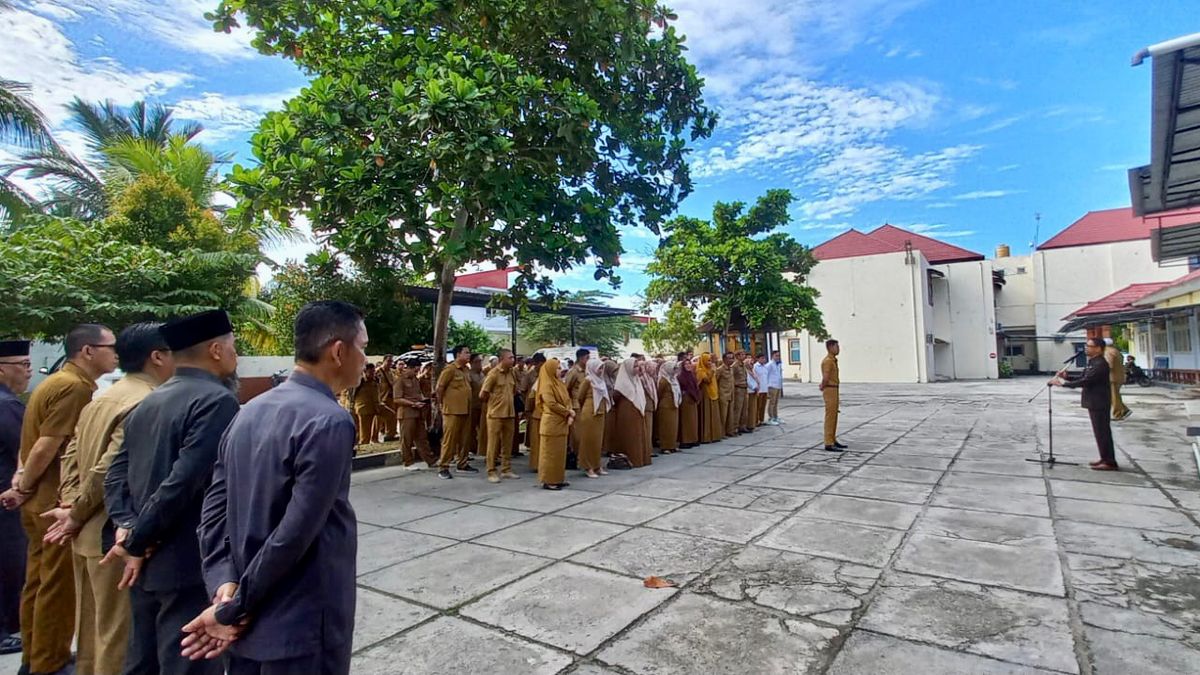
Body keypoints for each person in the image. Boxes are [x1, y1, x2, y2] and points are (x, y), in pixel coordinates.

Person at [184, 301, 363, 674]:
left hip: (244, 618)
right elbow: (295, 534)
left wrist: (224, 583)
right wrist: (235, 605)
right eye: (362, 346)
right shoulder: (330, 421)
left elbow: (213, 509)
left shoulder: (248, 410)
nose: (365, 358)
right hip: (301, 619)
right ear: (339, 351)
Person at [103, 309, 240, 675]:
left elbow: (114, 474)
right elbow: (183, 482)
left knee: (143, 661)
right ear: (215, 350)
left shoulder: (151, 399)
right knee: (187, 663)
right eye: (232, 345)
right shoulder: (217, 401)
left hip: (145, 563)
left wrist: (128, 527)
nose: (235, 354)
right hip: (186, 562)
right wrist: (135, 539)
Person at [42, 324, 175, 675]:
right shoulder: (146, 402)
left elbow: (70, 456)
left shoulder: (104, 395)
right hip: (113, 534)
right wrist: (77, 512)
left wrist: (72, 506)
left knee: (91, 634)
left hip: (87, 531)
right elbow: (109, 469)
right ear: (158, 357)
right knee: (118, 639)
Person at [7, 324, 116, 675]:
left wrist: (22, 482)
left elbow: (35, 444)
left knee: (38, 582)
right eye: (109, 346)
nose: (116, 353)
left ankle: (34, 655)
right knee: (57, 587)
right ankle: (49, 662)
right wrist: (25, 484)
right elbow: (47, 444)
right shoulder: (73, 387)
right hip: (53, 501)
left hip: (38, 499)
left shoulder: (56, 382)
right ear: (87, 351)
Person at [0, 340, 32, 658]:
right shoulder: (7, 406)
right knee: (9, 565)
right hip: (7, 500)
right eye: (21, 364)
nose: (28, 370)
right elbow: (24, 451)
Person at [1051, 337, 1118, 471]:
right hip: (1093, 401)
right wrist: (1067, 377)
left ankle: (1109, 461)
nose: (1086, 348)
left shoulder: (1100, 364)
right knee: (1099, 432)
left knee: (1102, 432)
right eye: (1086, 346)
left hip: (1099, 401)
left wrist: (1064, 384)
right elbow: (1083, 377)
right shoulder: (1092, 362)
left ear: (1098, 349)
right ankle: (1104, 458)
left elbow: (1087, 381)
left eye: (1089, 346)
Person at [434, 346, 475, 479]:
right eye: (466, 352)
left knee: (464, 439)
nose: (469, 355)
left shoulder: (466, 370)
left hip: (465, 409)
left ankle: (462, 463)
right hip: (452, 411)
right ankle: (443, 466)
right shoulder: (450, 369)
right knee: (449, 440)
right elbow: (440, 388)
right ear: (458, 354)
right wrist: (441, 405)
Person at [480, 349, 520, 484]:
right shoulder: (493, 374)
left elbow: (514, 391)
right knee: (493, 443)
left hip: (509, 413)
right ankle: (491, 471)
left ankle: (506, 469)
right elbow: (483, 394)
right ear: (502, 359)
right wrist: (494, 401)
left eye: (513, 357)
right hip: (495, 414)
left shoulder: (512, 373)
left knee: (507, 443)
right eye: (510, 358)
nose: (513, 360)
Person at [536, 358, 574, 490]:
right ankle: (549, 480)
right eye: (557, 368)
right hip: (551, 422)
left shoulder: (559, 383)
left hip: (561, 423)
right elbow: (551, 404)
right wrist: (567, 412)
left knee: (559, 453)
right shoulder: (546, 385)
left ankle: (558, 478)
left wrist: (570, 411)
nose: (560, 370)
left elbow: (568, 399)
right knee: (550, 453)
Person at [396, 359, 437, 470]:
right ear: (410, 368)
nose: (417, 372)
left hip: (418, 413)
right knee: (407, 439)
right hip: (406, 413)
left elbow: (419, 395)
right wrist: (413, 404)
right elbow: (397, 399)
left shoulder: (415, 379)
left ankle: (430, 460)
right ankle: (407, 462)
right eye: (416, 370)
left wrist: (425, 400)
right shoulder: (400, 380)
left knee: (422, 438)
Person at [575, 359, 610, 478]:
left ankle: (597, 465)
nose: (601, 371)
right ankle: (587, 466)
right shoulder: (588, 380)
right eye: (599, 368)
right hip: (589, 413)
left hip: (600, 413)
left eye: (602, 368)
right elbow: (580, 397)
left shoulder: (600, 381)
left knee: (597, 441)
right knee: (588, 440)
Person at [610, 358, 649, 466]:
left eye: (638, 366)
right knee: (630, 435)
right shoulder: (622, 382)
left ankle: (642, 459)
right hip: (626, 412)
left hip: (638, 411)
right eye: (635, 366)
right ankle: (632, 459)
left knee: (639, 434)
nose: (637, 369)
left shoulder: (637, 380)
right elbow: (616, 397)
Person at [820, 340, 847, 452]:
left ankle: (832, 439)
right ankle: (828, 442)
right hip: (830, 388)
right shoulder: (828, 361)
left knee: (834, 415)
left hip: (834, 389)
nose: (838, 348)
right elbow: (826, 377)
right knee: (830, 416)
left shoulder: (833, 360)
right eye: (836, 346)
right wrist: (823, 385)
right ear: (830, 347)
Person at [525, 353, 547, 471]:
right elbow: (530, 397)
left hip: (547, 415)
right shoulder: (538, 380)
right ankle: (536, 464)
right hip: (538, 414)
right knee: (536, 441)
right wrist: (528, 410)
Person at [350, 363, 380, 446]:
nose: (372, 374)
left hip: (373, 407)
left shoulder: (375, 380)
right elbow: (352, 395)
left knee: (369, 429)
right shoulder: (360, 381)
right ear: (365, 371)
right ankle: (363, 445)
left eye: (374, 371)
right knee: (364, 431)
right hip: (363, 408)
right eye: (370, 372)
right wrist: (351, 406)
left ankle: (363, 443)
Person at [655, 360, 681, 454]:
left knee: (673, 427)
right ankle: (665, 446)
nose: (675, 371)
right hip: (665, 407)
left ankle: (672, 445)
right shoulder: (663, 380)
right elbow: (659, 393)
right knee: (665, 427)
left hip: (674, 405)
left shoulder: (673, 379)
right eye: (673, 369)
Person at [677, 355, 701, 449]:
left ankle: (693, 439)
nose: (688, 365)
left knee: (693, 420)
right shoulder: (680, 376)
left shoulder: (692, 375)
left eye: (689, 363)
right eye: (685, 364)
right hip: (686, 400)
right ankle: (685, 440)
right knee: (686, 421)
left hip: (693, 399)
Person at [696, 354, 721, 443]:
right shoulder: (700, 370)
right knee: (707, 415)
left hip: (713, 393)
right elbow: (707, 380)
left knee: (714, 415)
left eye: (711, 360)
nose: (710, 363)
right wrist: (712, 371)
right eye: (708, 360)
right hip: (706, 395)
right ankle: (706, 437)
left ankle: (715, 435)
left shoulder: (711, 369)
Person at [1103, 339, 1131, 421]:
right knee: (1115, 396)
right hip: (1118, 376)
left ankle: (1118, 414)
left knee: (1113, 397)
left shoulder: (1108, 352)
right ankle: (1124, 410)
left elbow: (1109, 365)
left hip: (1112, 377)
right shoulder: (1116, 351)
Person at [639, 359, 660, 456]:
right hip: (645, 407)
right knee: (647, 429)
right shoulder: (643, 379)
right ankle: (647, 450)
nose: (654, 371)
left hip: (650, 406)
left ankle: (649, 449)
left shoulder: (650, 379)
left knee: (649, 429)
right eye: (653, 369)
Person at [467, 354, 485, 459]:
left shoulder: (482, 374)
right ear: (472, 363)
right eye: (477, 362)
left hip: (482, 406)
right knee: (470, 430)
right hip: (472, 406)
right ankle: (470, 449)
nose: (479, 364)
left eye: (480, 361)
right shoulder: (469, 375)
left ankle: (481, 449)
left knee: (482, 429)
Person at [376, 356, 398, 441]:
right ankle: (374, 437)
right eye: (388, 361)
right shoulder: (378, 372)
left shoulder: (392, 372)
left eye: (391, 361)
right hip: (382, 397)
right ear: (384, 361)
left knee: (392, 416)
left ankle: (390, 434)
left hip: (391, 397)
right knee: (379, 419)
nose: (390, 363)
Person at [717, 352, 735, 437]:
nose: (731, 360)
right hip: (723, 395)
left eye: (732, 358)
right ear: (724, 359)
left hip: (731, 394)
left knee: (730, 415)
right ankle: (721, 433)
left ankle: (730, 431)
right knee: (723, 415)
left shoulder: (731, 369)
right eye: (729, 358)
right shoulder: (720, 369)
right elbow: (716, 381)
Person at [731, 351, 748, 436]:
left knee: (744, 409)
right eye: (742, 355)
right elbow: (732, 377)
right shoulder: (735, 366)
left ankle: (743, 426)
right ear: (737, 356)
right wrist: (736, 384)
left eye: (744, 354)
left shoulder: (743, 365)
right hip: (738, 389)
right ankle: (734, 428)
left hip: (744, 388)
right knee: (738, 409)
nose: (744, 356)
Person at [766, 350, 784, 425]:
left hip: (778, 385)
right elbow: (766, 375)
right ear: (772, 356)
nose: (778, 357)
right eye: (776, 355)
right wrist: (767, 386)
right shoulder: (769, 365)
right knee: (772, 402)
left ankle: (776, 416)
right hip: (772, 385)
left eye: (779, 355)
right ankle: (771, 417)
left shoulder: (779, 364)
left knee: (776, 402)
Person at [752, 354, 770, 427]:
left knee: (763, 405)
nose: (763, 360)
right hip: (759, 389)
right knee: (758, 406)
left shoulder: (765, 367)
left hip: (765, 388)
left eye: (764, 358)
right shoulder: (755, 367)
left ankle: (761, 420)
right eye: (762, 358)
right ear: (758, 359)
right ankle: (756, 420)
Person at [743, 355, 760, 432]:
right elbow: (748, 381)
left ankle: (753, 424)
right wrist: (754, 387)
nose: (752, 365)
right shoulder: (746, 371)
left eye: (752, 363)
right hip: (749, 391)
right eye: (750, 363)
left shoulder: (752, 371)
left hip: (754, 391)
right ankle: (748, 425)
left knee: (753, 409)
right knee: (749, 409)